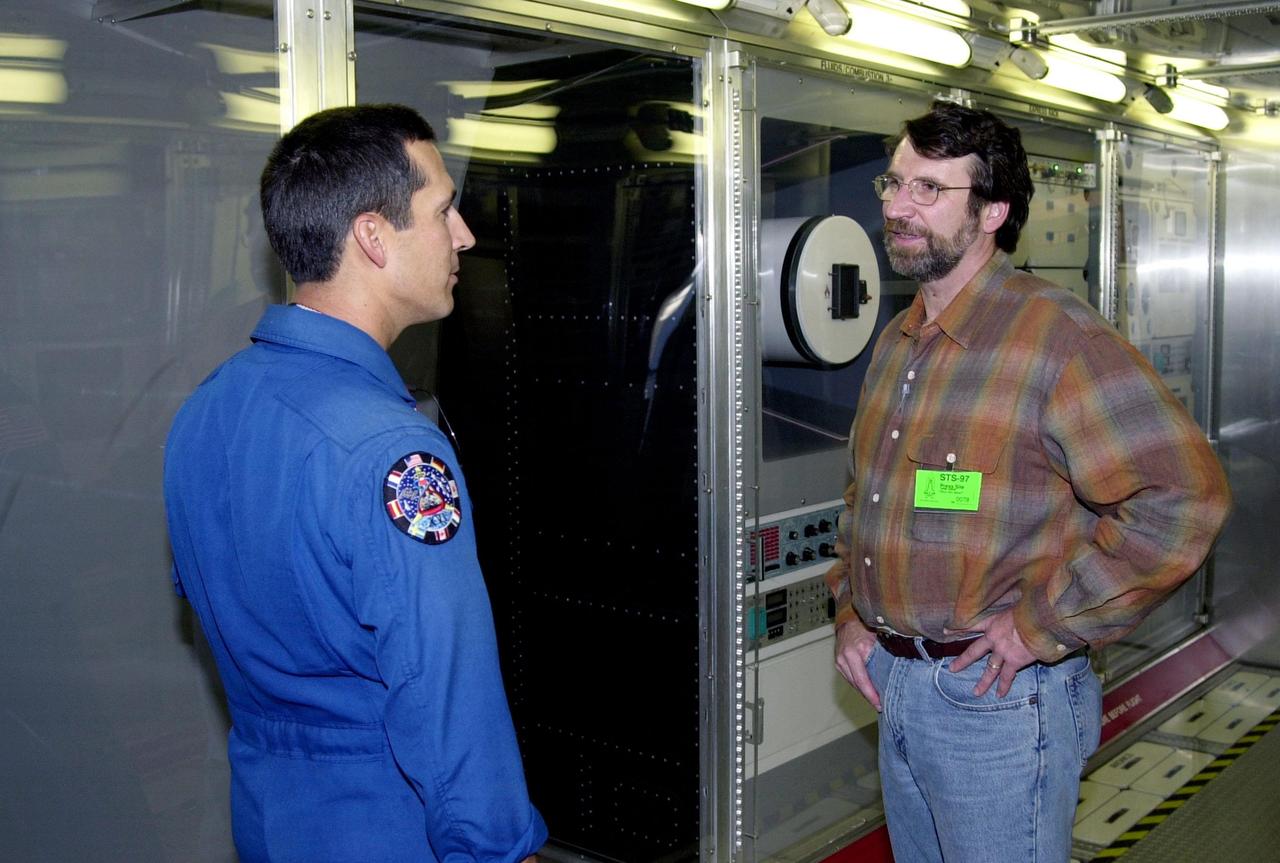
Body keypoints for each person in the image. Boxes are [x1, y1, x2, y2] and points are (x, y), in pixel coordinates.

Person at [824, 100, 1231, 863]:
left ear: (992, 212)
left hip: (998, 704)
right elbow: (866, 498)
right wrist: (850, 608)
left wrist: (1039, 625)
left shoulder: (1057, 340)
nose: (897, 207)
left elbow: (1184, 498)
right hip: (897, 686)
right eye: (894, 183)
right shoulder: (897, 341)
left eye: (928, 190)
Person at [164, 104, 546, 863]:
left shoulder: (209, 407)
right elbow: (446, 698)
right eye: (443, 210)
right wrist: (503, 850)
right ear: (373, 235)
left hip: (271, 820)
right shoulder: (397, 455)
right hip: (389, 829)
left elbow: (216, 603)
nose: (464, 235)